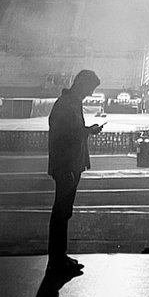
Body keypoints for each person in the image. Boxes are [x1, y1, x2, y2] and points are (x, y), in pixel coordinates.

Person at [46, 69, 105, 277]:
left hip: (71, 164)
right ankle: (56, 259)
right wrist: (66, 166)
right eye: (89, 89)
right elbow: (63, 137)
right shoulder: (66, 105)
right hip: (67, 166)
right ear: (81, 84)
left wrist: (87, 130)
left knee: (64, 212)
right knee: (61, 212)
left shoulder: (70, 103)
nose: (89, 94)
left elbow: (70, 132)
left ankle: (60, 256)